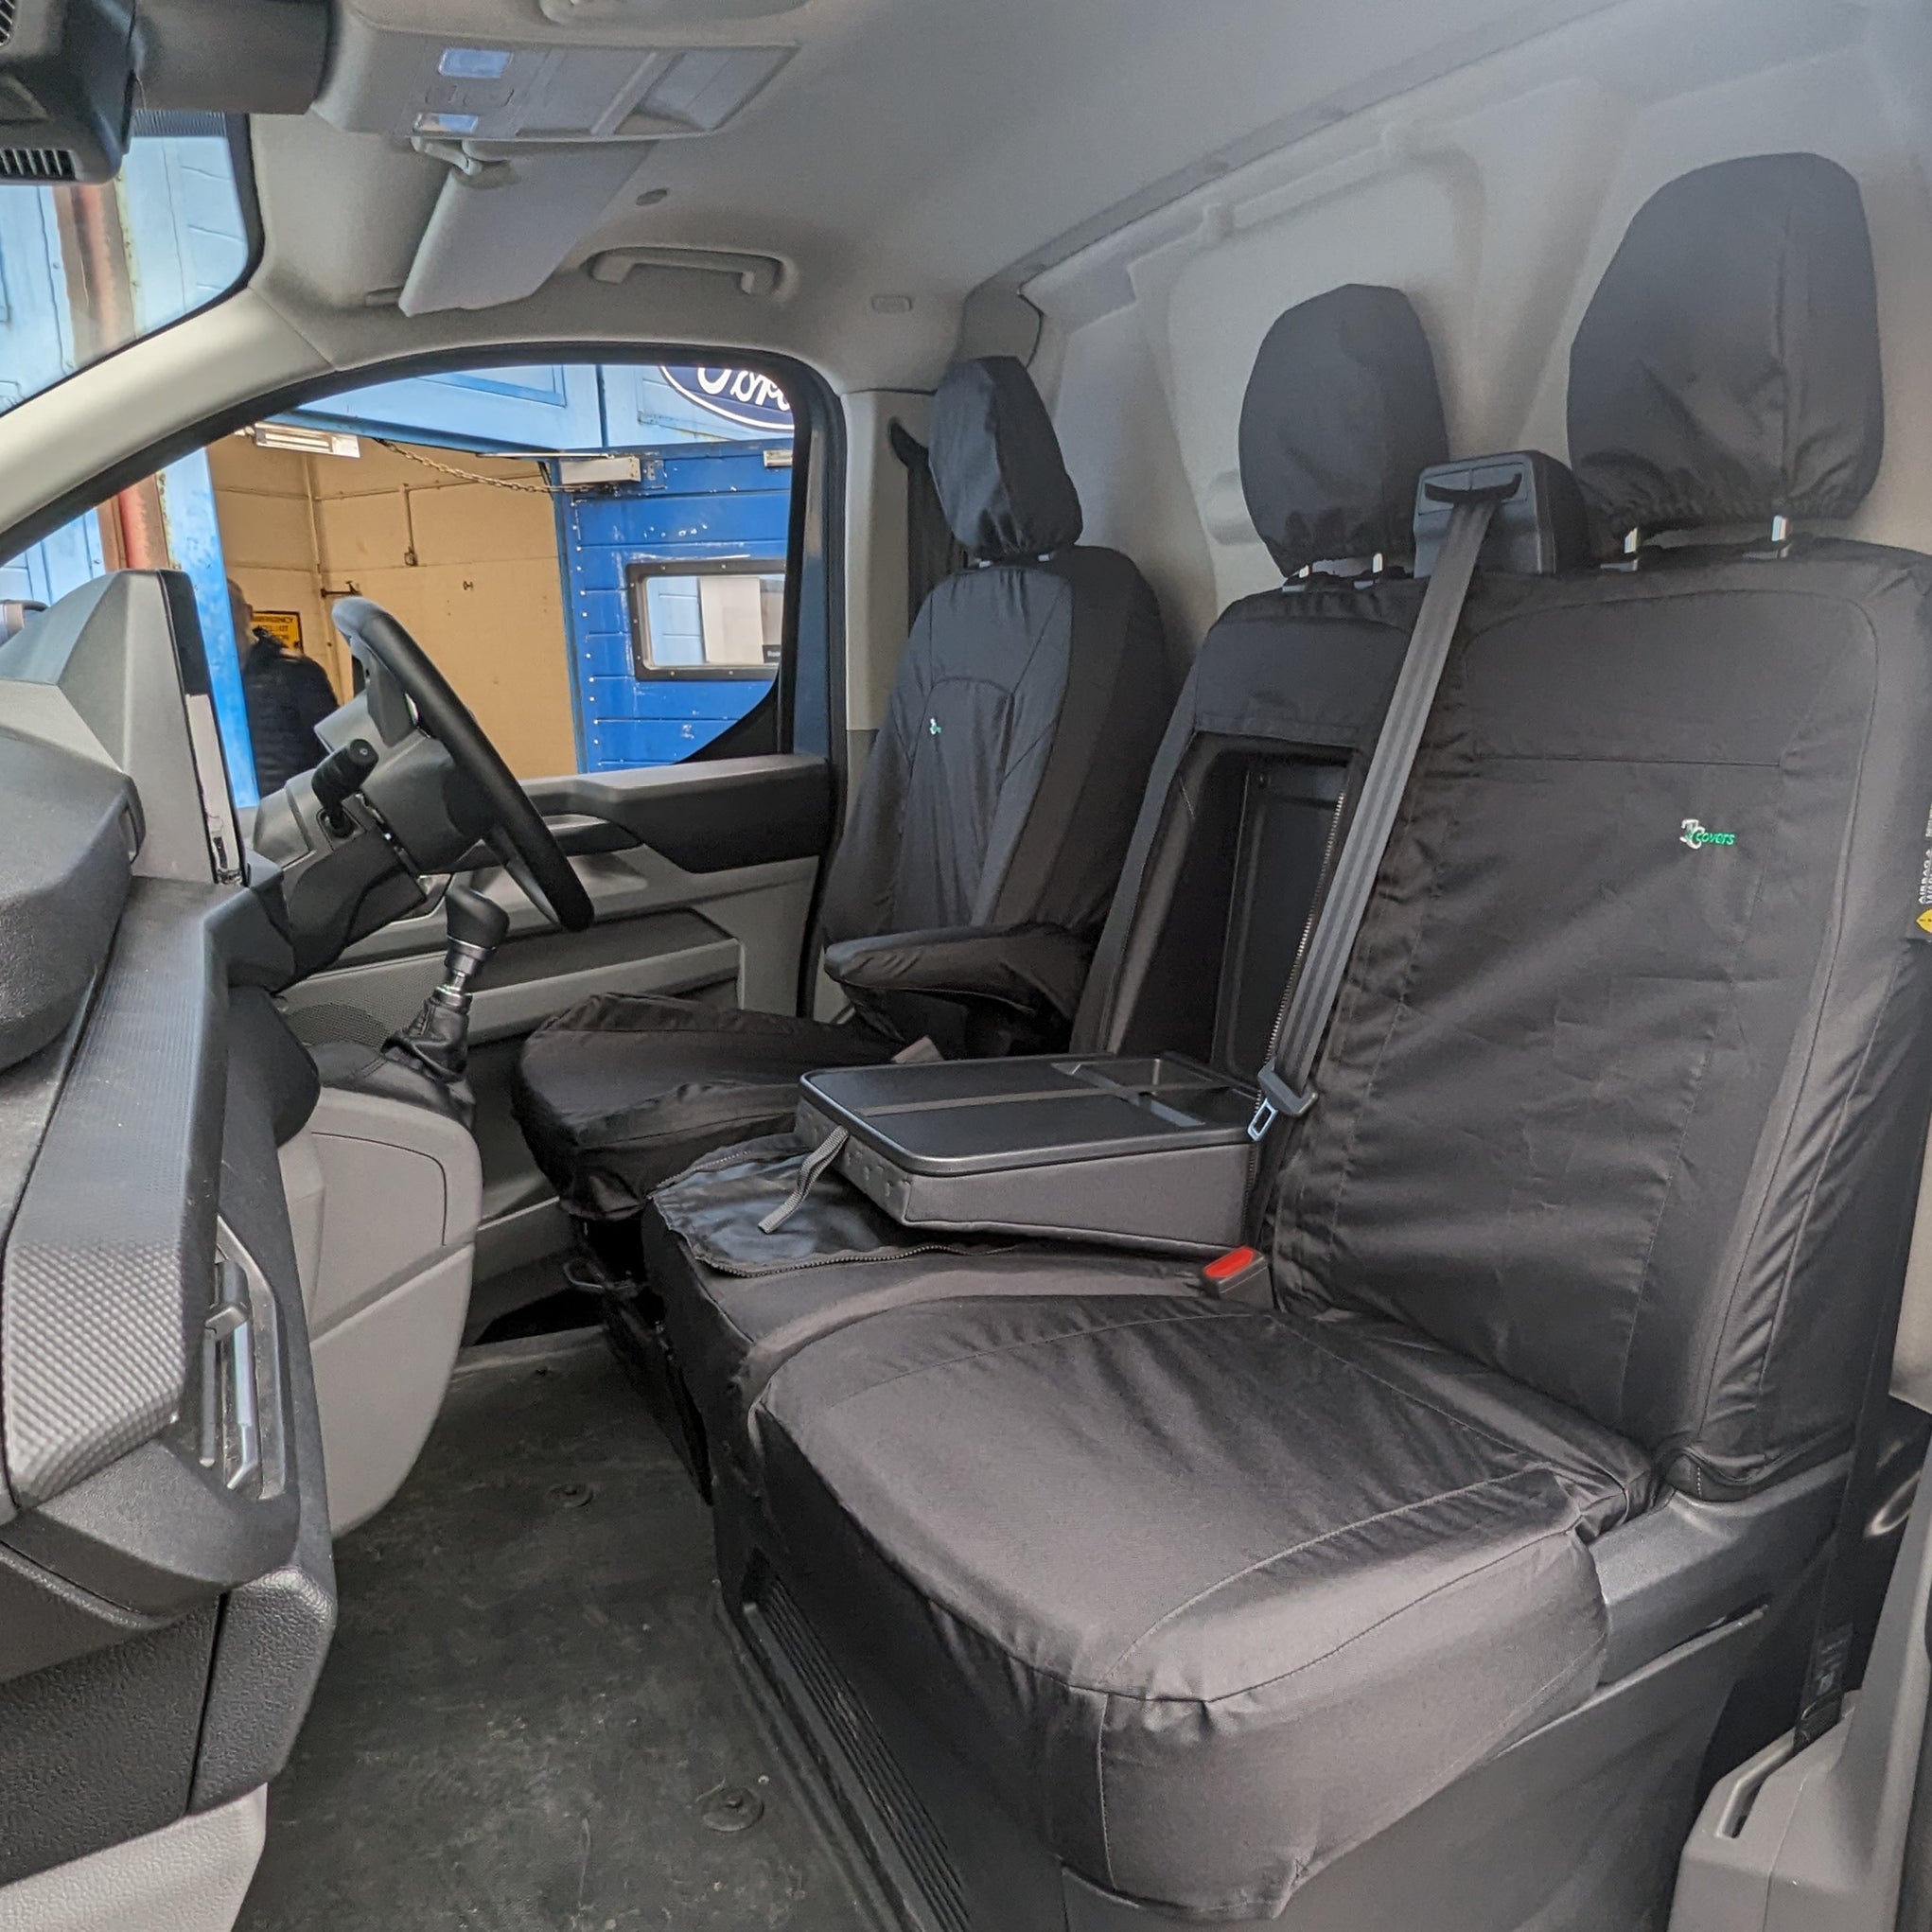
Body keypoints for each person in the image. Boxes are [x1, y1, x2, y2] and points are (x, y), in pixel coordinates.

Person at [230, 580, 340, 796]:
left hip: (294, 812)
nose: (223, 616)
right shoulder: (200, 683)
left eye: (230, 605)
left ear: (249, 613)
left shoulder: (296, 672)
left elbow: (333, 745)